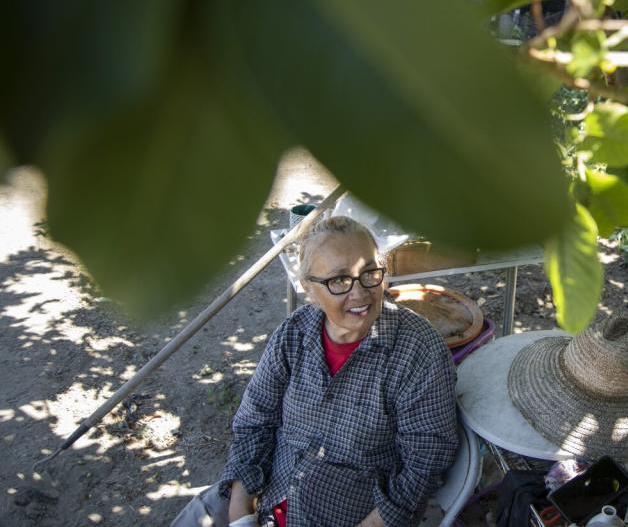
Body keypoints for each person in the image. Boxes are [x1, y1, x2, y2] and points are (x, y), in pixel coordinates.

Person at [172, 216, 459, 527]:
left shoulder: (418, 350)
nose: (360, 294)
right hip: (269, 495)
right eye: (338, 281)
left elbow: (426, 462)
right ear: (309, 289)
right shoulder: (293, 335)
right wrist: (241, 511)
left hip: (345, 516)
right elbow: (255, 422)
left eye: (370, 274)